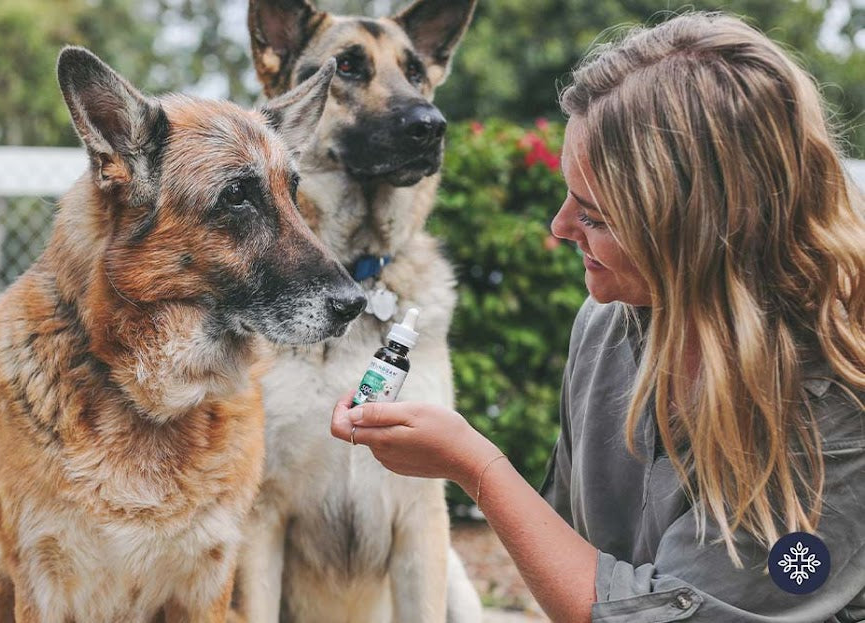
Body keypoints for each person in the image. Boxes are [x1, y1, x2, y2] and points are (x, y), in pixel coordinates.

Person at [330, 11, 865, 622]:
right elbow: (575, 553)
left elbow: (656, 616)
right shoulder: (610, 322)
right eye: (569, 198)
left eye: (596, 217)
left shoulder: (838, 398)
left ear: (698, 233)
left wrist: (476, 467)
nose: (558, 229)